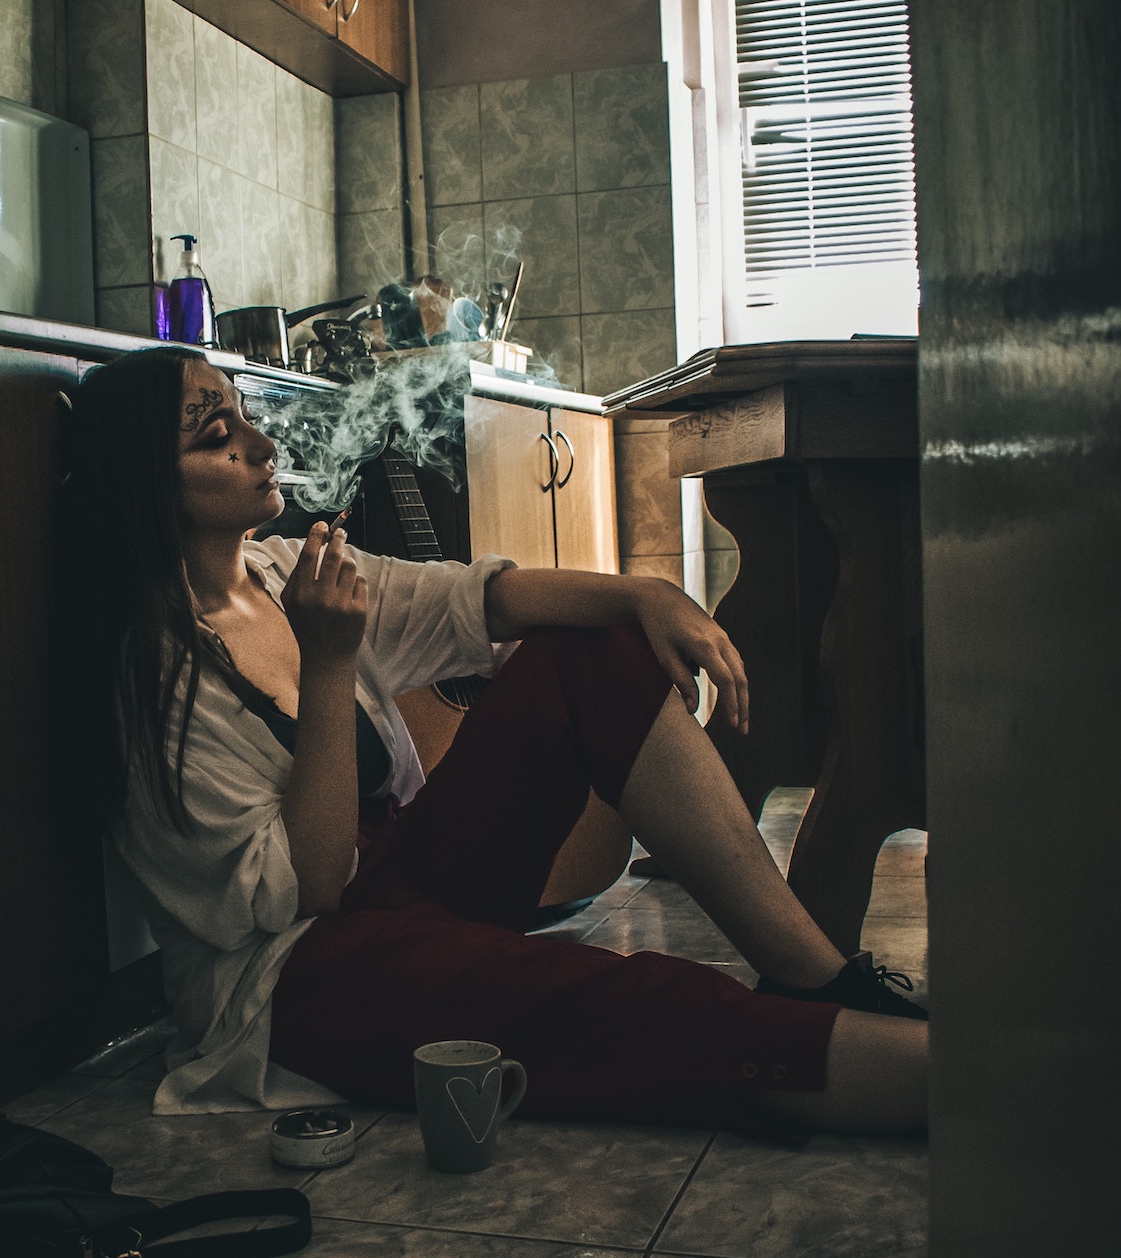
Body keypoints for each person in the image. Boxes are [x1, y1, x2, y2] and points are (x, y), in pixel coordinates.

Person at [61, 345, 928, 1140]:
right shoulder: (153, 686)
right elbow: (311, 891)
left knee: (594, 646)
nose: (256, 439)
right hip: (302, 978)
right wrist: (329, 666)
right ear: (146, 484)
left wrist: (643, 596)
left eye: (244, 412)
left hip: (405, 882)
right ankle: (943, 1080)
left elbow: (477, 600)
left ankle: (814, 975)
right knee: (622, 1003)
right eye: (218, 434)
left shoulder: (284, 569)